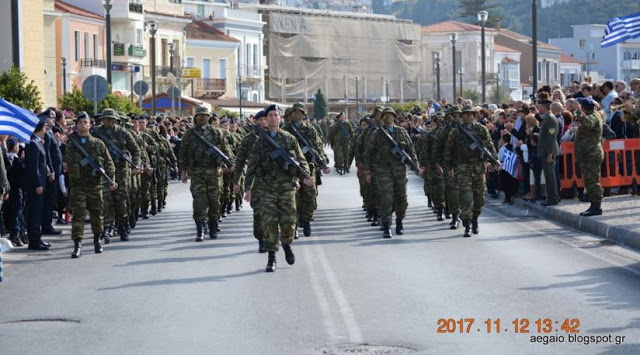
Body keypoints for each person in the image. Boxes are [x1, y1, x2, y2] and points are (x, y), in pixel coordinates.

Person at [245, 104, 313, 272]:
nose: (273, 118)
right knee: (269, 223)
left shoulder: (289, 139)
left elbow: (301, 160)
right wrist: (248, 188)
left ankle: (287, 245)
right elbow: (252, 166)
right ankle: (272, 257)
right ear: (266, 120)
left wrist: (305, 176)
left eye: (276, 115)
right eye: (270, 116)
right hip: (267, 188)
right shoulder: (260, 141)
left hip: (286, 187)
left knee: (289, 223)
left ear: (280, 119)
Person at [65, 112, 117, 258]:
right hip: (78, 186)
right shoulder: (71, 144)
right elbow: (66, 164)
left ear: (90, 125)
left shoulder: (98, 144)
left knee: (97, 215)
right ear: (76, 125)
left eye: (86, 122)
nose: (83, 124)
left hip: (95, 186)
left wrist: (110, 179)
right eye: (80, 122)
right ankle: (77, 244)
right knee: (78, 216)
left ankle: (97, 240)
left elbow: (109, 164)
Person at [363, 107, 421, 238]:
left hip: (399, 170)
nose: (388, 118)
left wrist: (416, 166)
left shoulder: (401, 132)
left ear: (394, 117)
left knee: (401, 198)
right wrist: (367, 171)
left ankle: (399, 221)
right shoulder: (377, 133)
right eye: (385, 115)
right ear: (382, 118)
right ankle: (387, 225)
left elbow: (411, 150)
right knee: (386, 198)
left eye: (391, 115)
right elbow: (368, 153)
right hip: (383, 170)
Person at [444, 106, 499, 238]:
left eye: (471, 114)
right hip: (463, 169)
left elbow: (489, 145)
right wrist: (449, 167)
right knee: (466, 197)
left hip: (479, 168)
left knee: (479, 199)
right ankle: (467, 224)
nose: (469, 117)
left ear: (475, 116)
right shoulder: (455, 131)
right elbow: (448, 151)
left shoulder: (481, 129)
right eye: (466, 114)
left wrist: (494, 160)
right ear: (462, 116)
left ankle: (474, 219)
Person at [179, 106, 232, 241]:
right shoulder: (189, 134)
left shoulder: (217, 133)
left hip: (214, 171)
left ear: (209, 118)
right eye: (200, 115)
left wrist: (230, 163)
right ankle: (200, 228)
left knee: (215, 201)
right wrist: (183, 172)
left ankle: (213, 226)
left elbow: (226, 150)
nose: (202, 118)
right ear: (196, 117)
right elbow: (183, 154)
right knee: (199, 201)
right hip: (197, 172)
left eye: (205, 115)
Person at [93, 108, 141, 241]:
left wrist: (135, 164)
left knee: (121, 201)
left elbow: (136, 150)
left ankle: (122, 226)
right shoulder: (95, 133)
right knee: (105, 201)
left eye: (112, 119)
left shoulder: (123, 132)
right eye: (108, 119)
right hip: (104, 171)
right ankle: (107, 228)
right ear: (102, 120)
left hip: (121, 171)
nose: (110, 121)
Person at [283, 102, 330, 237]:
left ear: (304, 114)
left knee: (310, 196)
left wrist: (322, 160)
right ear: (291, 114)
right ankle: (295, 225)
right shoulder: (286, 130)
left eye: (300, 112)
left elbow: (318, 146)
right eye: (294, 112)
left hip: (308, 167)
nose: (297, 114)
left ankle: (307, 220)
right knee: (294, 197)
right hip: (292, 168)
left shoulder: (310, 129)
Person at [233, 110, 268, 253]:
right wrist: (236, 181)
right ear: (256, 121)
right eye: (261, 120)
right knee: (258, 212)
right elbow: (240, 161)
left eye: (266, 119)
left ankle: (272, 238)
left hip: (276, 181)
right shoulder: (248, 139)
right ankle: (261, 240)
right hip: (256, 181)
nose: (264, 122)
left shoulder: (278, 136)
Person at [24, 115, 50, 250]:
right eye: (45, 126)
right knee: (34, 213)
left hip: (40, 183)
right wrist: (38, 183)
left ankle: (38, 238)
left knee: (38, 212)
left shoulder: (38, 142)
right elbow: (33, 166)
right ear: (42, 127)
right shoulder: (33, 143)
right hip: (36, 185)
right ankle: (34, 241)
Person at [575, 97, 604, 216]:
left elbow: (588, 123)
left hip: (591, 154)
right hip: (587, 154)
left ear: (583, 108)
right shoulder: (592, 114)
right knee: (589, 181)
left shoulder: (593, 116)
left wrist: (579, 114)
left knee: (593, 182)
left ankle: (596, 207)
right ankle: (593, 205)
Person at [41, 109, 63, 236]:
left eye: (55, 117)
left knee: (51, 200)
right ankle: (46, 226)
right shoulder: (47, 134)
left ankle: (47, 224)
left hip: (56, 172)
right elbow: (47, 154)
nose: (54, 119)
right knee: (48, 201)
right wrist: (51, 171)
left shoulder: (49, 132)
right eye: (51, 117)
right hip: (51, 174)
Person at [536, 93, 560, 206]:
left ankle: (553, 198)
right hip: (545, 151)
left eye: (539, 105)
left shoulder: (550, 119)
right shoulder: (546, 118)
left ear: (544, 106)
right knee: (548, 175)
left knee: (550, 175)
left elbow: (551, 137)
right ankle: (551, 197)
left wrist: (550, 153)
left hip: (548, 151)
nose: (538, 107)